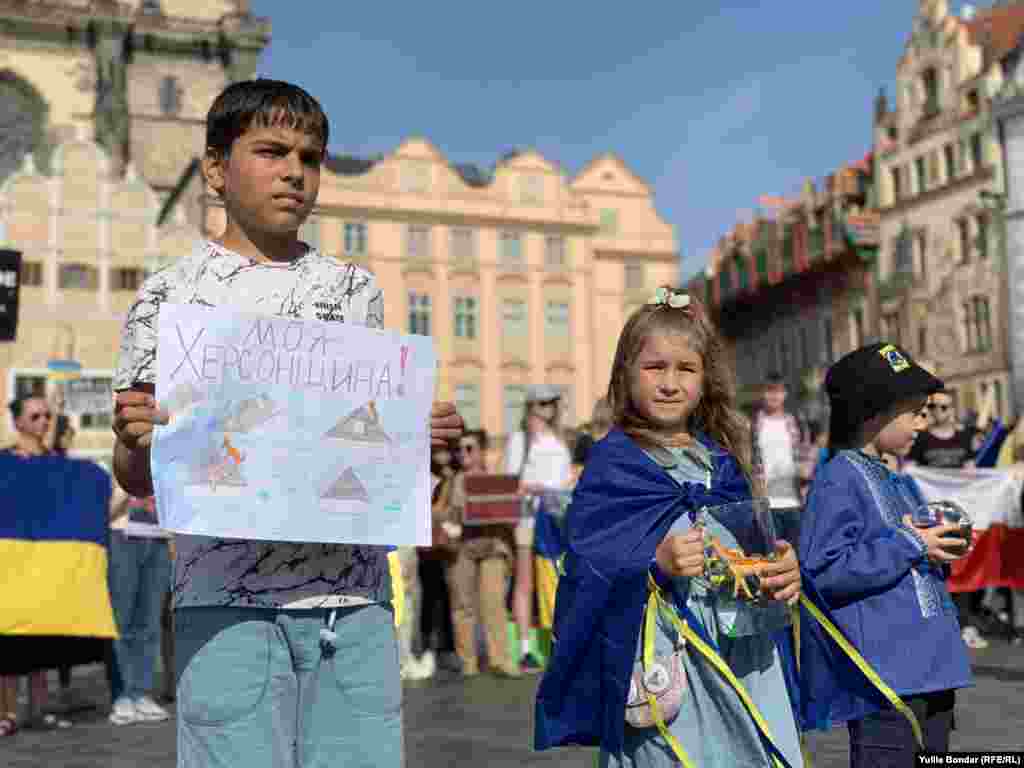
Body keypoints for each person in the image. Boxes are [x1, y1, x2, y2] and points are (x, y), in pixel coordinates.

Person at [110, 79, 463, 768]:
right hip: (223, 607)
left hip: (351, 604)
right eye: (271, 151)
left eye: (310, 156)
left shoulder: (354, 289)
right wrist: (132, 439)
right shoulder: (166, 298)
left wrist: (422, 437)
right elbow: (137, 478)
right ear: (216, 168)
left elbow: (367, 444)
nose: (294, 171)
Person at [536, 287, 804, 767]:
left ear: (705, 379)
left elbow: (753, 547)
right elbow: (584, 575)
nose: (669, 383)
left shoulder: (724, 461)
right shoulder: (614, 465)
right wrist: (653, 562)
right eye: (654, 367)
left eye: (686, 369)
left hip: (741, 660)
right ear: (626, 374)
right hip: (667, 668)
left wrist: (781, 568)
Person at [800, 343, 973, 767]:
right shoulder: (839, 479)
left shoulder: (899, 480)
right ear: (873, 413)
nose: (923, 422)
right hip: (887, 678)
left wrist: (939, 550)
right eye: (914, 411)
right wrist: (911, 545)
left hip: (933, 671)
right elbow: (823, 572)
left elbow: (909, 559)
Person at [1, 396, 72, 733]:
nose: (44, 421)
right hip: (11, 561)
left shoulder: (57, 463)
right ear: (18, 422)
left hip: (47, 561)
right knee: (10, 640)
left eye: (47, 415)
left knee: (43, 639)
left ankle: (41, 709)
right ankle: (8, 713)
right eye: (36, 416)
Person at [905, 389, 988, 650]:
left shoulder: (964, 437)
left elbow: (974, 469)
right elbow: (909, 468)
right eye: (933, 407)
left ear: (952, 409)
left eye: (944, 407)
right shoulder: (922, 439)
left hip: (961, 512)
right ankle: (944, 622)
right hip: (932, 516)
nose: (938, 412)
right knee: (938, 566)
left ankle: (965, 622)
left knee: (963, 563)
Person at [504, 384, 572, 673]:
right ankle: (524, 649)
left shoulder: (560, 440)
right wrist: (535, 488)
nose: (547, 409)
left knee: (557, 582)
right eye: (542, 403)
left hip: (557, 520)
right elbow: (509, 482)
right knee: (524, 583)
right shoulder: (519, 440)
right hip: (527, 517)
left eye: (551, 403)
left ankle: (557, 645)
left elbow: (565, 480)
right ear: (530, 406)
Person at [446, 429, 521, 677]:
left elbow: (511, 516)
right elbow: (444, 517)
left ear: (481, 452)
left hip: (492, 545)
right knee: (462, 605)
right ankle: (468, 661)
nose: (463, 454)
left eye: (469, 448)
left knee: (494, 605)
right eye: (459, 449)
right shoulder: (452, 481)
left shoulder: (496, 479)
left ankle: (501, 660)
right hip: (462, 547)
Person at [106, 493, 173, 725]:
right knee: (121, 621)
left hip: (159, 539)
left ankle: (141, 693)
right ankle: (122, 695)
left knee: (150, 623)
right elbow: (108, 510)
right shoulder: (119, 458)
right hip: (122, 536)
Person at [753, 373, 804, 511]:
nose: (774, 396)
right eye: (770, 391)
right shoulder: (755, 424)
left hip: (792, 498)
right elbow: (750, 459)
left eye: (779, 391)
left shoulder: (793, 422)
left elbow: (801, 456)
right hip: (765, 500)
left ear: (785, 394)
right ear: (763, 393)